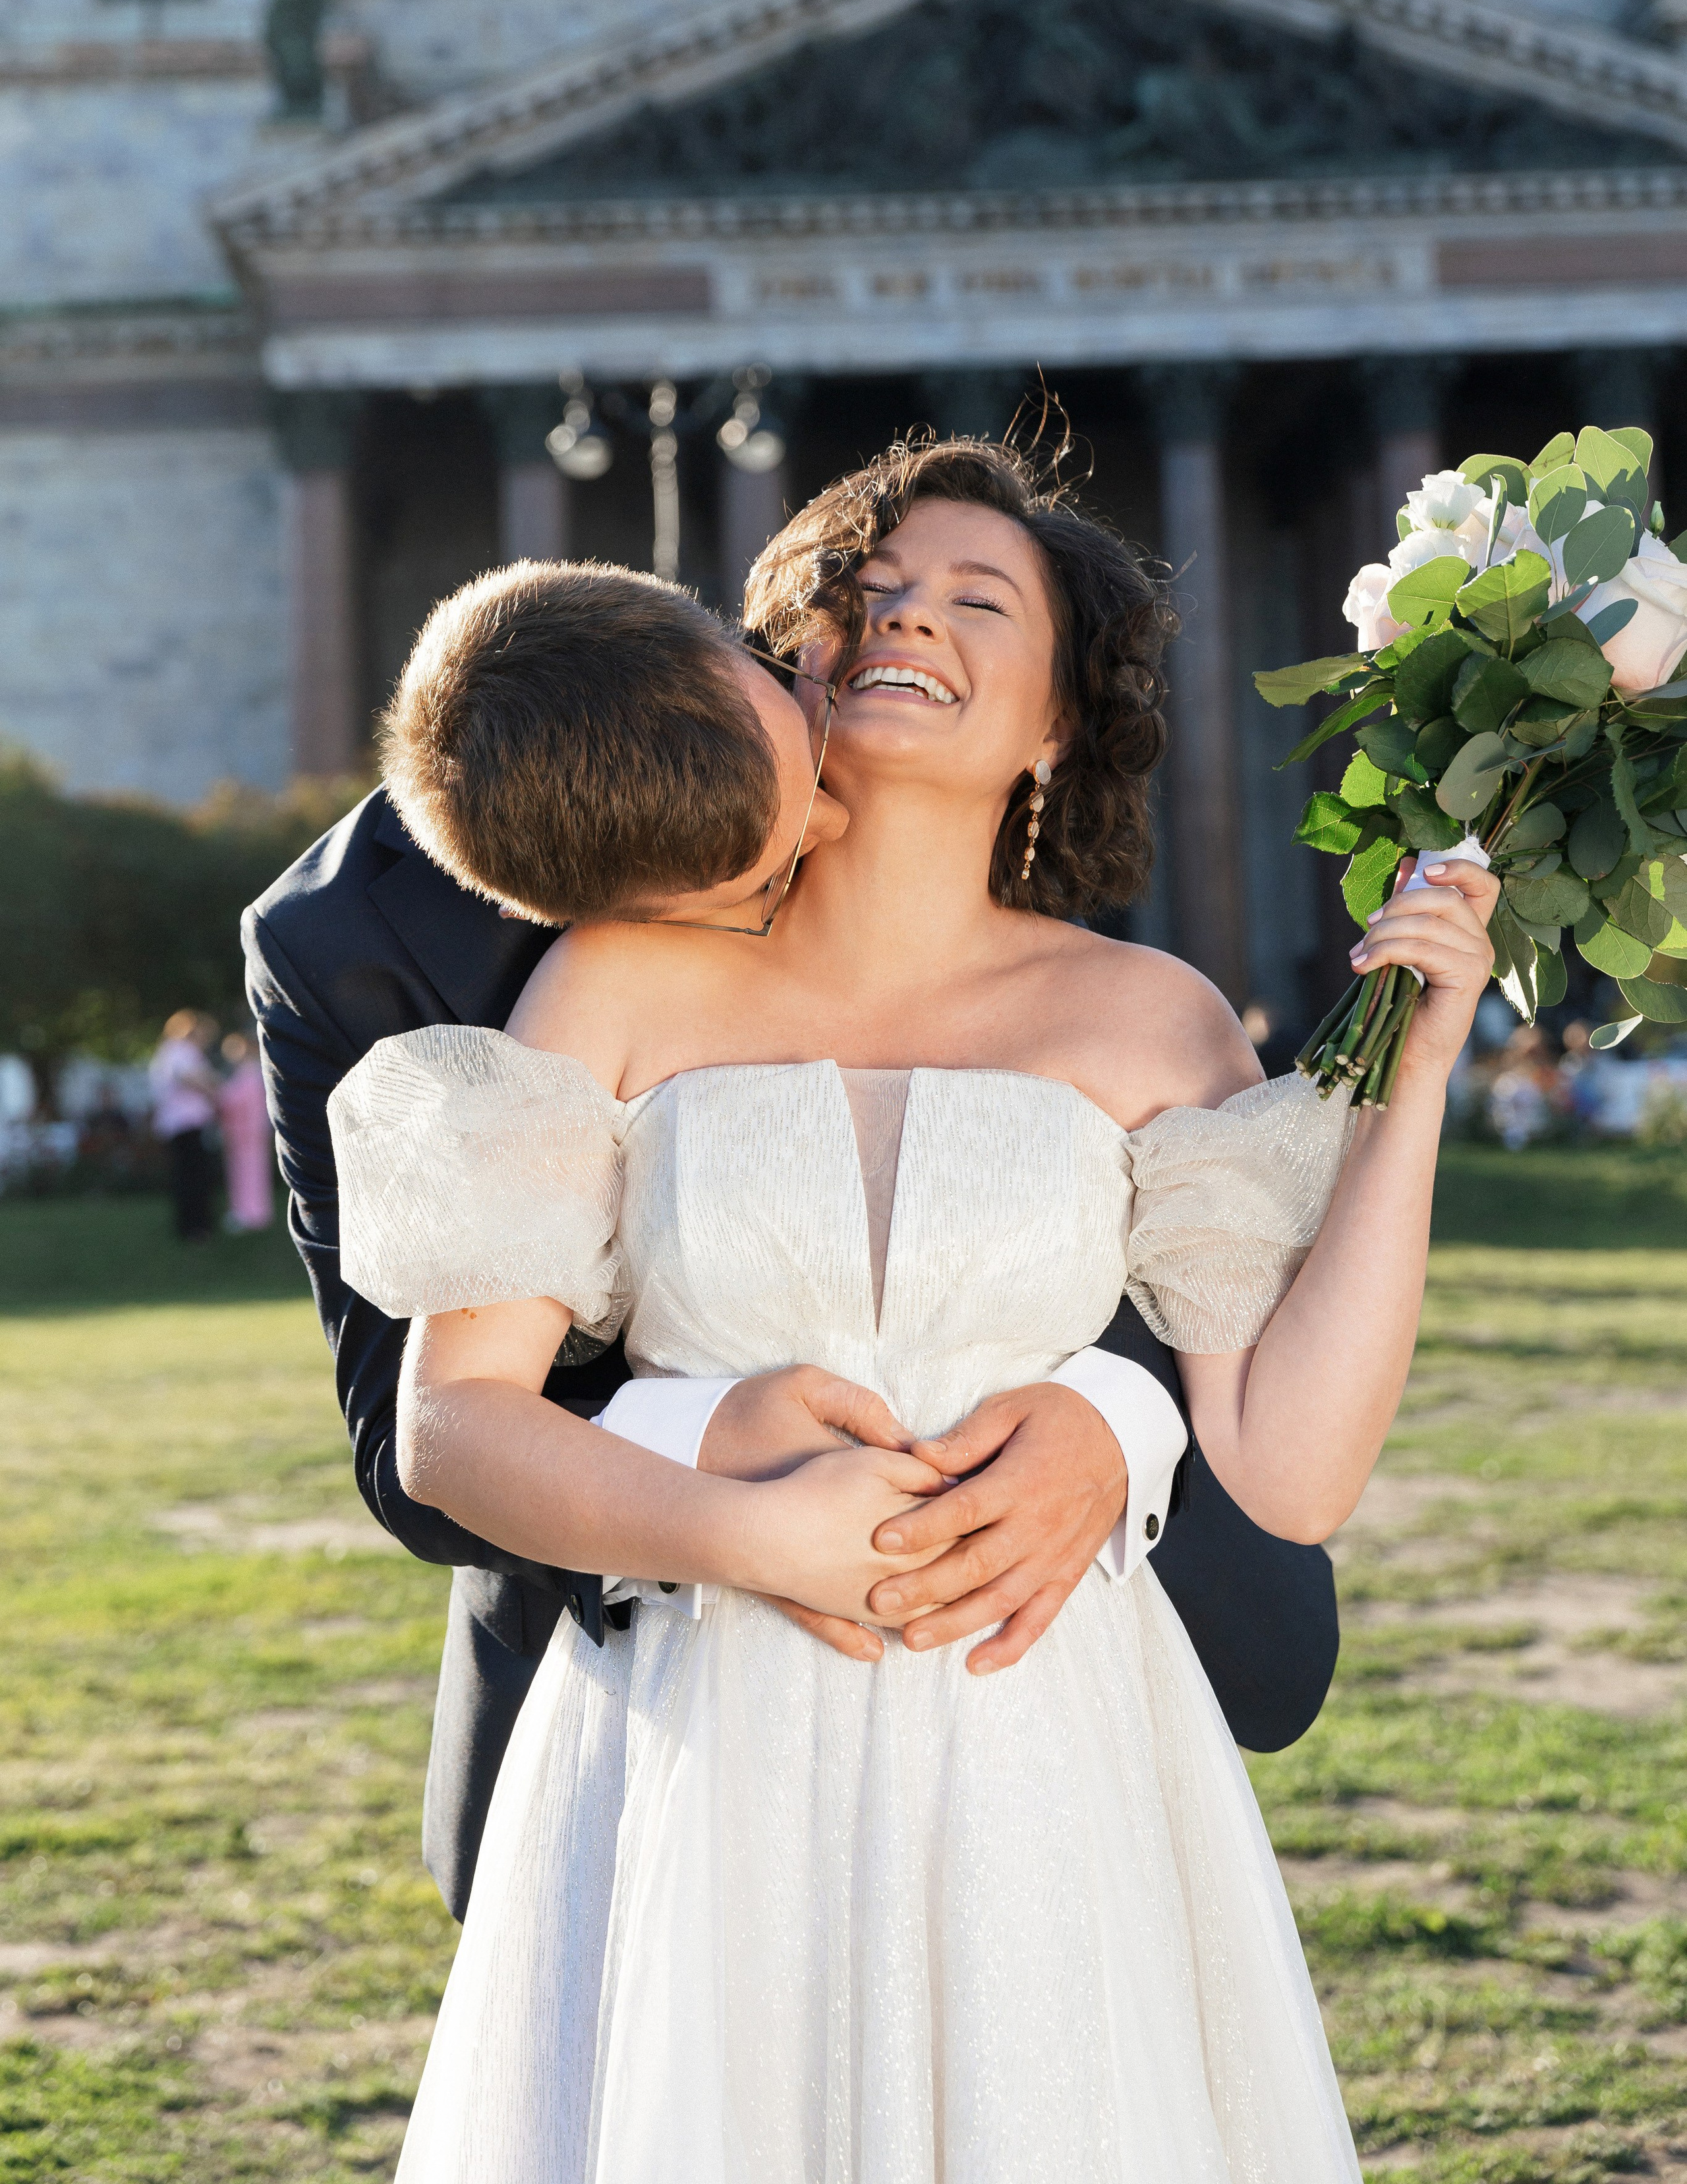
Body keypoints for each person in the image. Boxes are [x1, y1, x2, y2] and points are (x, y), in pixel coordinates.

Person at [326, 441, 1501, 2180]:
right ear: (790, 661)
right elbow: (454, 1425)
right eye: (867, 594)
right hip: (700, 1732)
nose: (908, 622)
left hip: (1041, 1750)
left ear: (1052, 726)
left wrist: (1416, 1076)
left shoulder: (1149, 1020)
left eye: (977, 600)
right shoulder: (614, 977)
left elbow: (1298, 1472)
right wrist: (750, 1537)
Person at [243, 555, 1342, 1932]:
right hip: (665, 1680)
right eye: (769, 862)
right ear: (620, 903)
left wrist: (1113, 1414)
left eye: (790, 723)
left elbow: (1092, 1210)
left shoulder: (808, 670)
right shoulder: (348, 948)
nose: (831, 816)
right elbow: (417, 1445)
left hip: (1040, 1668)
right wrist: (708, 1444)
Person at [148, 1009, 220, 1243]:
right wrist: (216, 1091)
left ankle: (191, 1225)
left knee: (187, 1176)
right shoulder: (181, 1051)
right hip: (187, 1123)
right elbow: (193, 1079)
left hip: (179, 1124)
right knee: (194, 1177)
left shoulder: (168, 1052)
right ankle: (197, 1227)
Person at [218, 1032, 274, 1231]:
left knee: (251, 1172)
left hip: (250, 1134)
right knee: (244, 1172)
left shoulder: (250, 1074)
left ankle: (253, 1213)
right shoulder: (244, 1073)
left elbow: (236, 1101)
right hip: (241, 1133)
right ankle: (247, 1211)